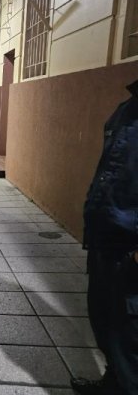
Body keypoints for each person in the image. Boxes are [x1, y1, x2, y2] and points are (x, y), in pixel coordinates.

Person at [72, 79, 138, 395]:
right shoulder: (126, 111)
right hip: (105, 238)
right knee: (105, 322)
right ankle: (112, 382)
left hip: (130, 245)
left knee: (130, 334)